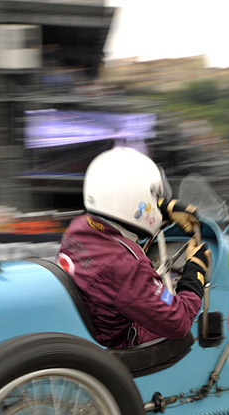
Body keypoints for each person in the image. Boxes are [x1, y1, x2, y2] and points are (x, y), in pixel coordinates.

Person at [58, 147, 211, 348]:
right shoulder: (124, 266)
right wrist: (195, 273)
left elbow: (124, 208)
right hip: (121, 348)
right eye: (154, 197)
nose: (157, 203)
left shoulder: (79, 227)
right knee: (187, 339)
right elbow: (178, 321)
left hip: (89, 332)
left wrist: (162, 210)